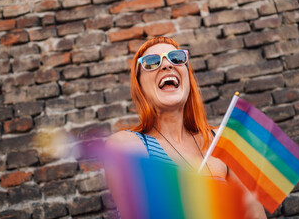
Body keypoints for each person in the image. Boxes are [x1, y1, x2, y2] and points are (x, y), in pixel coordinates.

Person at [105, 37, 266, 219]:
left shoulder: (224, 142)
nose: (167, 65)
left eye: (176, 58)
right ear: (140, 86)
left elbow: (254, 216)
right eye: (151, 62)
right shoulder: (127, 146)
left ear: (188, 76)